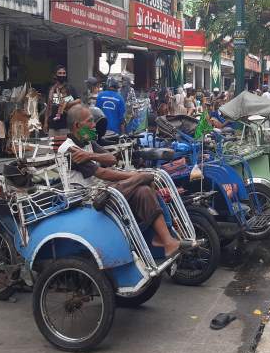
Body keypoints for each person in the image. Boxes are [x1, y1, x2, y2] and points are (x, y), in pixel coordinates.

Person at [58, 105, 192, 256]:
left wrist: (91, 155)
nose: (94, 125)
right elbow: (102, 173)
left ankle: (165, 240)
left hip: (100, 191)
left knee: (144, 190)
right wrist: (134, 177)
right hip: (86, 198)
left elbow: (111, 159)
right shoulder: (69, 149)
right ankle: (163, 239)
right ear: (77, 125)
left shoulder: (87, 142)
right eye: (90, 121)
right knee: (143, 179)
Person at [44, 65, 80, 136]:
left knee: (65, 146)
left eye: (64, 73)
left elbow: (78, 100)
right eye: (60, 73)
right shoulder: (51, 89)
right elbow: (48, 107)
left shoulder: (69, 88)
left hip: (66, 125)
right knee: (53, 146)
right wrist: (45, 122)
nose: (62, 75)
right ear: (55, 75)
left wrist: (68, 104)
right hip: (52, 125)